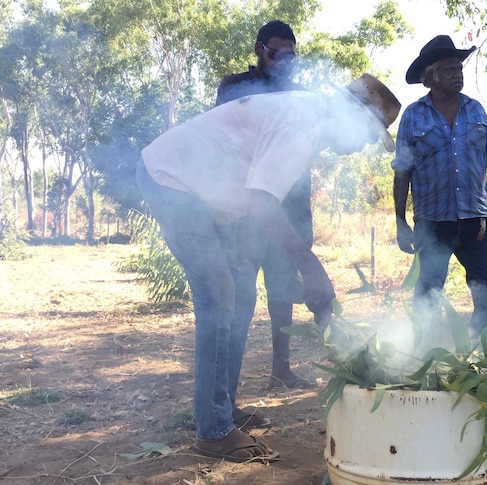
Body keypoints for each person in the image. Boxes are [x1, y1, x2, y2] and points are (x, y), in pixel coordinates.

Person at [137, 74, 400, 462]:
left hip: (205, 196)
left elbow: (251, 190)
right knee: (219, 296)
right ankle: (212, 431)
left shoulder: (303, 117)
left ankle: (221, 411)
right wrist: (310, 267)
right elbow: (262, 201)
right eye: (366, 135)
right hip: (173, 181)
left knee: (241, 290)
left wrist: (282, 269)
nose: (362, 146)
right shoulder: (300, 126)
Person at [392, 34, 487, 337]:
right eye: (449, 69)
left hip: (477, 221)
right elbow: (402, 171)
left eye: (458, 67)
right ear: (430, 77)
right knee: (428, 292)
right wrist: (400, 221)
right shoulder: (413, 115)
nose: (458, 73)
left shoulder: (475, 110)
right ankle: (424, 353)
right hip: (433, 222)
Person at [216, 20, 313, 389]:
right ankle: (228, 384)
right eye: (276, 53)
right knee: (242, 293)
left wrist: (304, 222)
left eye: (290, 55)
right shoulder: (235, 86)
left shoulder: (302, 95)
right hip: (246, 206)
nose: (283, 61)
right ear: (259, 50)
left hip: (289, 205)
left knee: (282, 288)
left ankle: (281, 371)